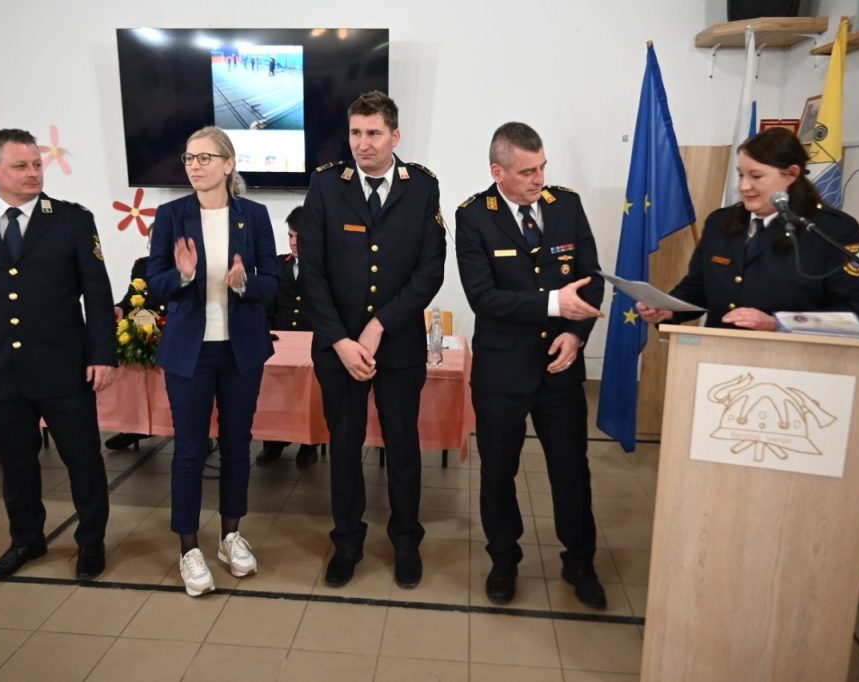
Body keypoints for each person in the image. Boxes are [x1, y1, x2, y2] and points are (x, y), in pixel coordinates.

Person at [0, 128, 116, 582]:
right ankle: (26, 539)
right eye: (20, 166)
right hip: (1, 369)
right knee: (16, 463)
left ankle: (91, 541)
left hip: (63, 368)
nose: (33, 173)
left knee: (83, 460)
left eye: (37, 164)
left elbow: (98, 296)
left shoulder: (72, 220)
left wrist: (103, 354)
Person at [455, 122, 607, 608]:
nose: (539, 179)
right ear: (497, 172)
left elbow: (591, 280)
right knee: (499, 471)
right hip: (502, 371)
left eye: (542, 167)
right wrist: (554, 305)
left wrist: (576, 334)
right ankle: (504, 559)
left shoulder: (567, 206)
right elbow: (483, 297)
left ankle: (579, 560)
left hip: (559, 366)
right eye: (527, 172)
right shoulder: (473, 216)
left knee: (571, 469)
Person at [299, 90, 446, 589]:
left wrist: (380, 324)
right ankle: (347, 541)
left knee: (403, 448)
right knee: (344, 449)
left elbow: (430, 271)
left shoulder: (421, 187)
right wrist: (341, 340)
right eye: (356, 133)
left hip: (398, 346)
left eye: (374, 133)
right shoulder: (326, 185)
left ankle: (406, 542)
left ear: (395, 136)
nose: (363, 143)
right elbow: (311, 271)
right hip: (339, 349)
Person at [146, 126, 278, 597]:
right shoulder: (170, 215)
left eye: (205, 158)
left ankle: (230, 536)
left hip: (241, 350)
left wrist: (244, 283)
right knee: (189, 449)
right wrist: (182, 276)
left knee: (238, 445)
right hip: (190, 352)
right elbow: (154, 283)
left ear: (228, 164)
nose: (195, 166)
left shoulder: (254, 215)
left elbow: (273, 282)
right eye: (189, 158)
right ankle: (188, 547)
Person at [636, 127, 859, 331]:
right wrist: (668, 309)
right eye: (740, 175)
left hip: (793, 362)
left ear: (791, 174)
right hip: (716, 356)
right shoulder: (720, 222)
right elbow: (698, 287)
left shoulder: (830, 230)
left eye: (756, 176)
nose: (744, 186)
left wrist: (778, 324)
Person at [256, 205, 319, 467]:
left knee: (309, 392)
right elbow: (266, 309)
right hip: (279, 343)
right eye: (290, 236)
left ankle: (308, 444)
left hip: (311, 343)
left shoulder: (325, 267)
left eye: (299, 237)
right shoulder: (277, 266)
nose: (293, 242)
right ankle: (273, 442)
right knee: (272, 391)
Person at [104, 224, 166, 451]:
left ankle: (190, 431)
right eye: (153, 241)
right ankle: (135, 425)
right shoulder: (142, 266)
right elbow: (132, 297)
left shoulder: (188, 267)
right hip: (145, 327)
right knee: (127, 361)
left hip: (174, 329)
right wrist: (119, 308)